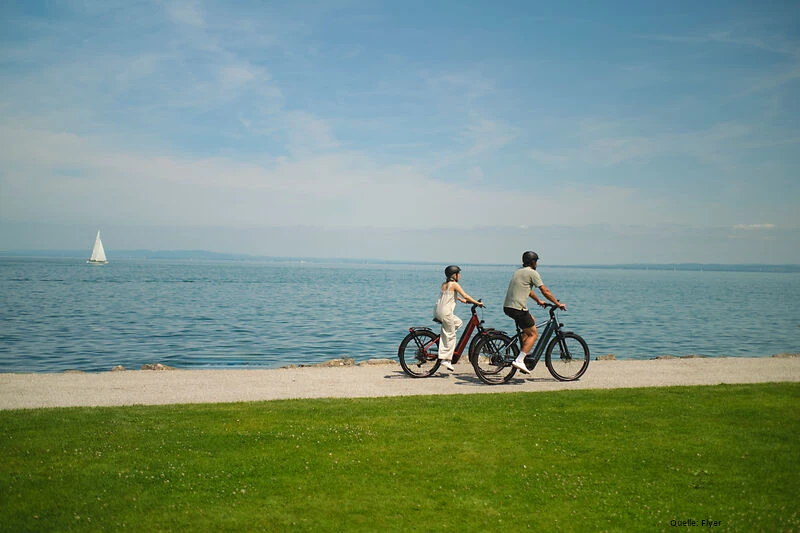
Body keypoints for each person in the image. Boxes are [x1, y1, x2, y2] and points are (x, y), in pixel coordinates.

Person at [502, 251, 566, 374]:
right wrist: (558, 304)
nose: (537, 263)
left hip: (508, 307)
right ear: (533, 262)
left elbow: (528, 290)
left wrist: (538, 301)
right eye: (536, 261)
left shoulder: (518, 271)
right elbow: (545, 290)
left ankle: (522, 353)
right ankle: (520, 360)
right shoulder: (532, 273)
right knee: (534, 334)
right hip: (518, 308)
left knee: (531, 322)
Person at [433, 265, 484, 372]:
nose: (460, 276)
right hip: (446, 314)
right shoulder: (454, 284)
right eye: (459, 274)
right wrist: (477, 303)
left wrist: (460, 300)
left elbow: (448, 296)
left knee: (458, 322)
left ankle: (445, 339)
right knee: (451, 336)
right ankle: (445, 359)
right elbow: (466, 295)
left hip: (438, 311)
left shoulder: (444, 284)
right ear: (454, 275)